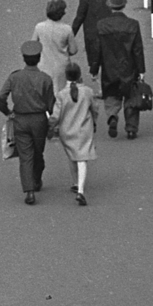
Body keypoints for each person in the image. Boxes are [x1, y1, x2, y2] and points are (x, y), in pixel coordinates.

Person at [0, 39, 56, 203]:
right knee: (38, 152)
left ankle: (29, 191)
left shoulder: (14, 77)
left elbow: (0, 97)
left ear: (23, 58)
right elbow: (51, 104)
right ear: (39, 57)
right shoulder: (45, 79)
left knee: (25, 155)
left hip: (20, 119)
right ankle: (37, 179)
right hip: (39, 120)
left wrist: (7, 111)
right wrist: (54, 122)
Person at [87, 0, 145, 139]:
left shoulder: (102, 25)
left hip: (109, 67)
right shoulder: (133, 25)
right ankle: (131, 128)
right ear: (123, 6)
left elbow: (97, 50)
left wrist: (94, 69)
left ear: (110, 7)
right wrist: (141, 69)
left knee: (111, 95)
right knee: (131, 97)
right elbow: (137, 49)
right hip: (129, 67)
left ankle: (112, 116)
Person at [49, 60, 98, 205]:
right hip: (84, 129)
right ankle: (81, 190)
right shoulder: (88, 92)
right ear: (79, 75)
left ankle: (75, 183)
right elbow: (94, 109)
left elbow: (56, 115)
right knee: (82, 159)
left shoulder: (61, 94)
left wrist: (51, 126)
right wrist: (94, 122)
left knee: (71, 156)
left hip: (67, 131)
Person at [33, 0, 77, 92]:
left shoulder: (39, 27)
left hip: (44, 64)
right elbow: (73, 50)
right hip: (61, 66)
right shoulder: (67, 29)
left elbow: (33, 46)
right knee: (61, 92)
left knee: (46, 91)